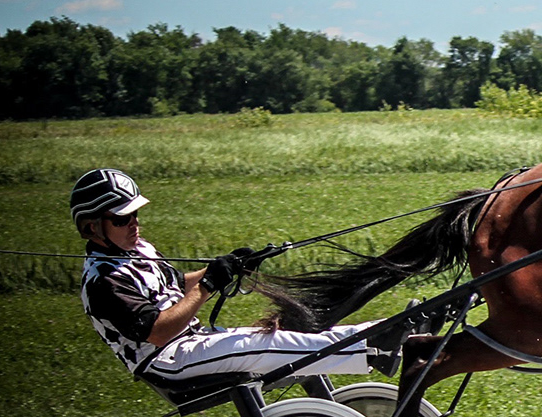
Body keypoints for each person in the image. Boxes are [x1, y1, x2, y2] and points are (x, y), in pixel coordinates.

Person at [72, 168, 398, 393]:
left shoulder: (137, 249)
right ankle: (375, 349)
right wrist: (208, 285)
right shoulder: (103, 282)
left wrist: (229, 268)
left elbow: (176, 286)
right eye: (122, 218)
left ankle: (385, 332)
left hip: (191, 342)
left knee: (284, 336)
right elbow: (158, 331)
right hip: (167, 360)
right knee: (267, 344)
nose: (134, 223)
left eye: (136, 214)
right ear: (91, 228)